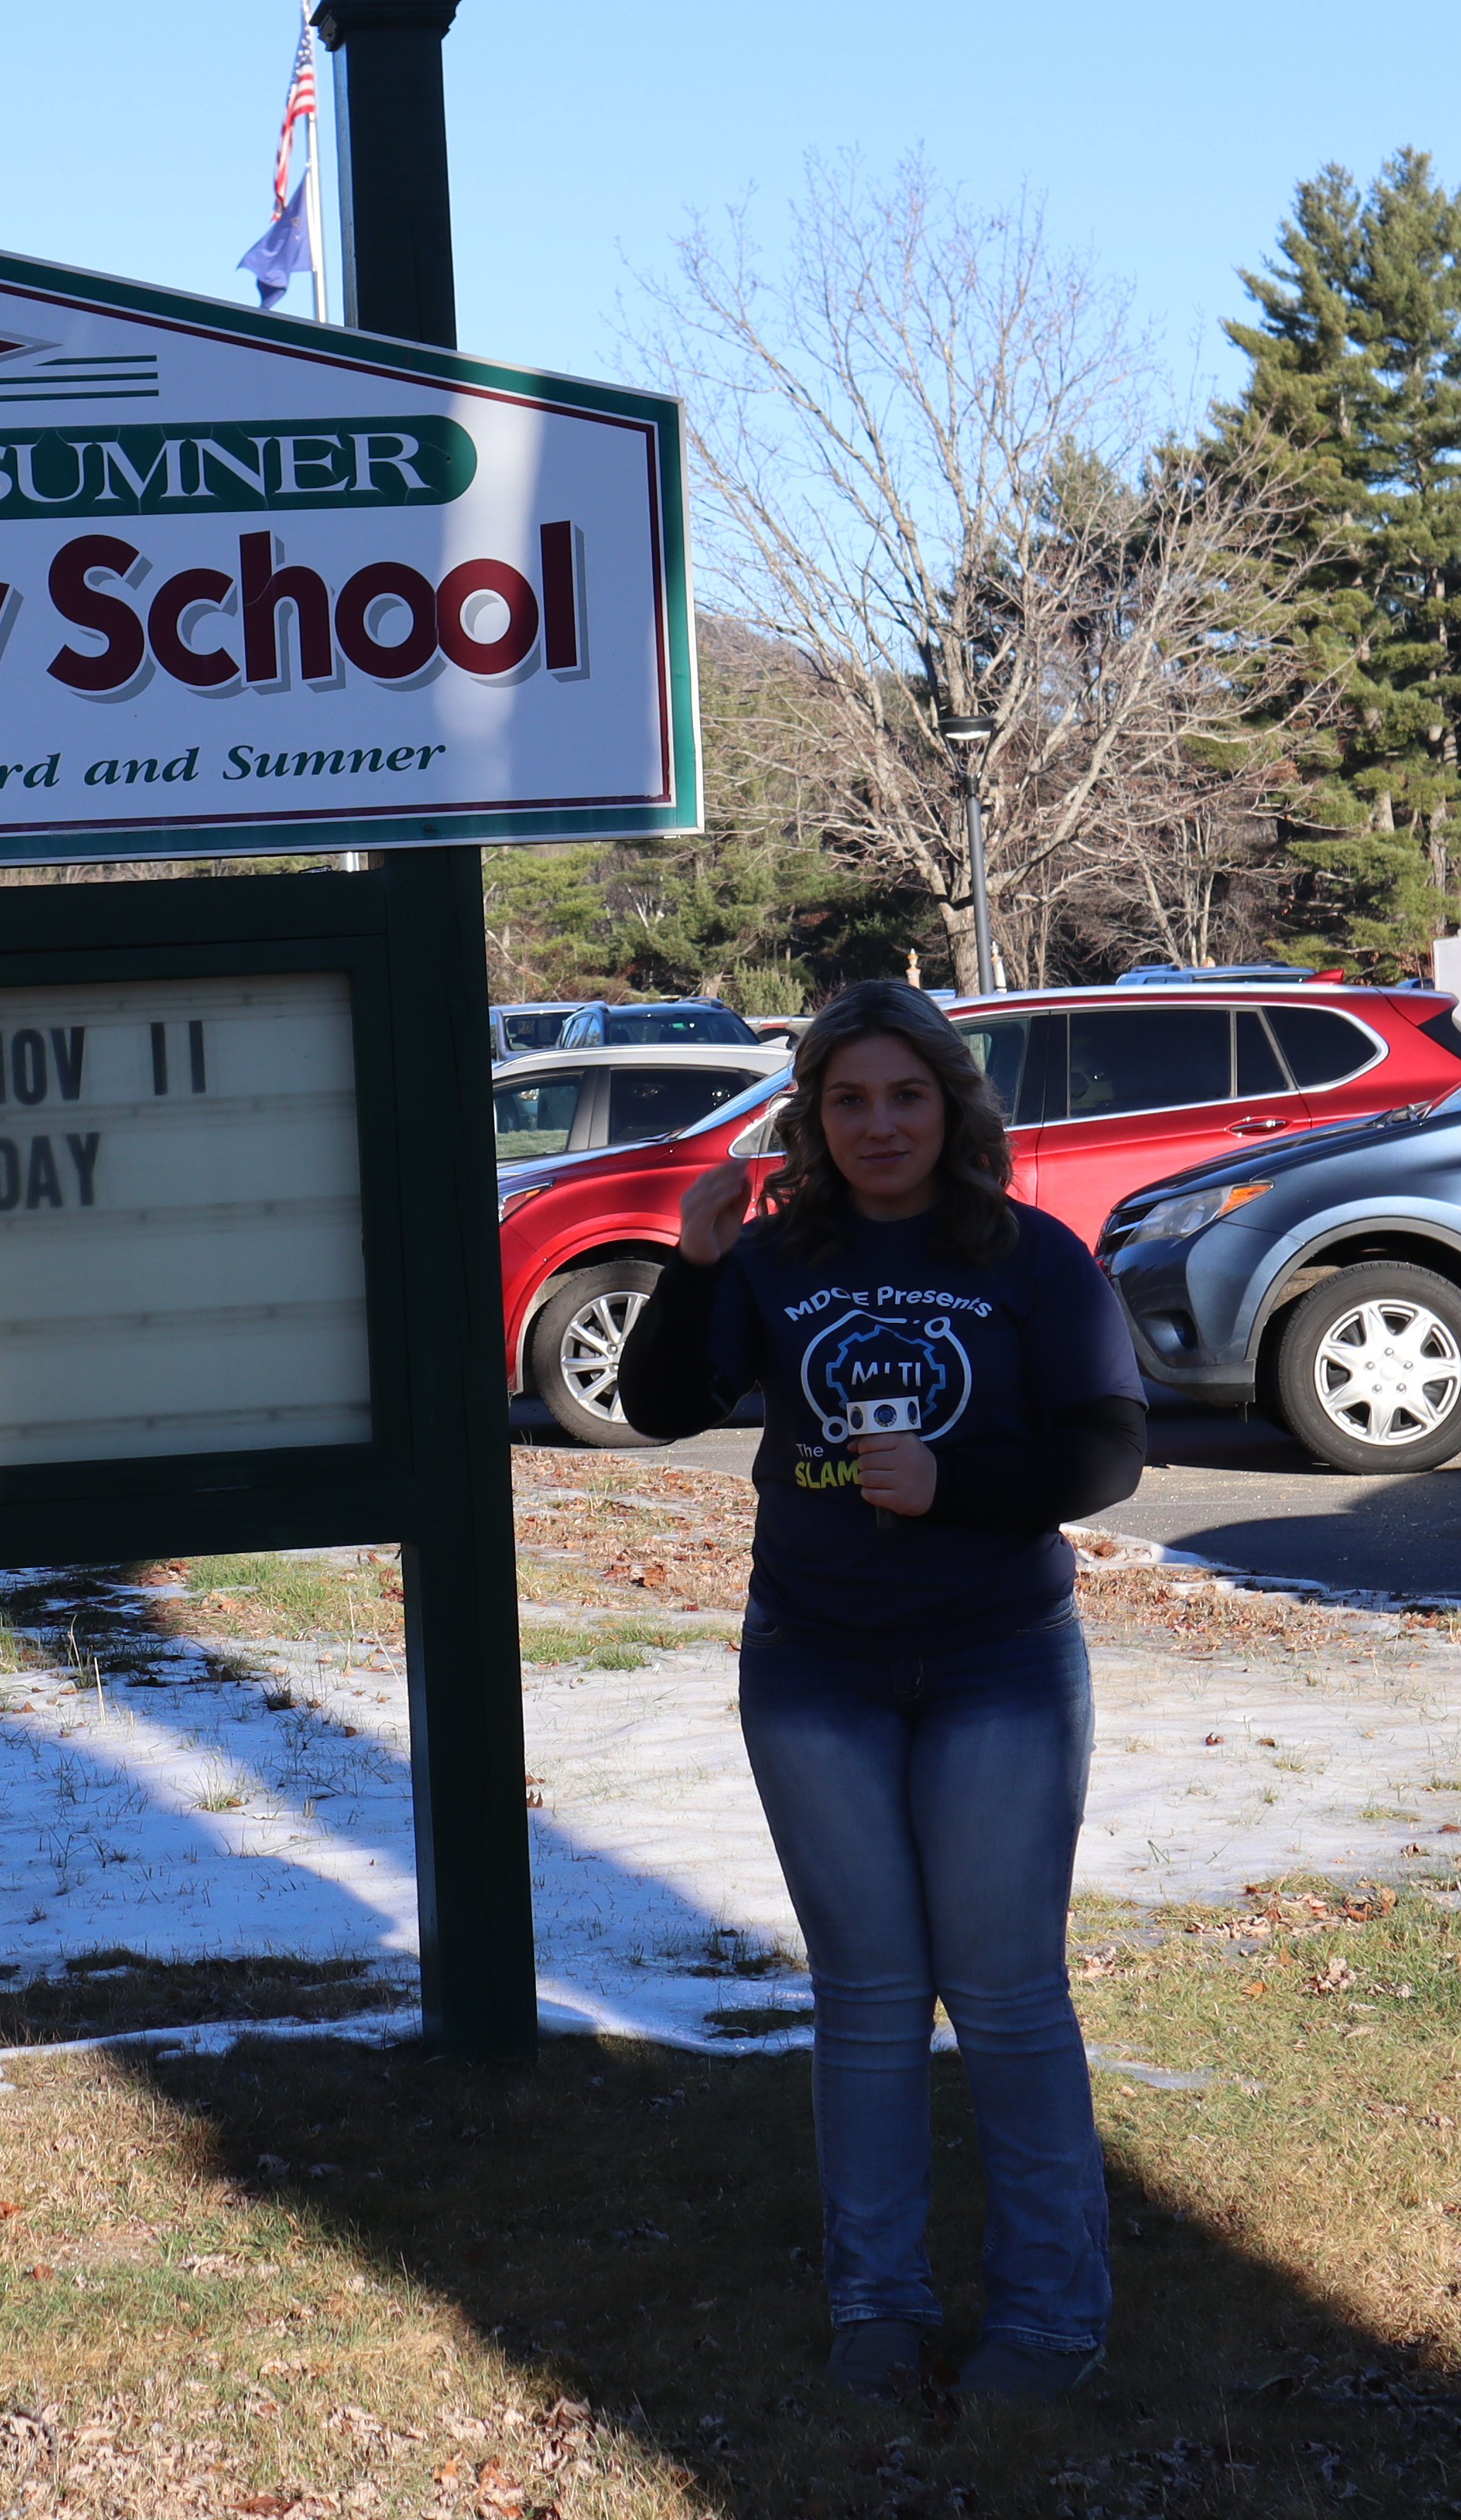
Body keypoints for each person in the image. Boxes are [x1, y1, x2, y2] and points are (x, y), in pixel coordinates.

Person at [616, 978, 1144, 2403]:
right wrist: (696, 1264)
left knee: (1006, 1989)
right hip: (815, 1664)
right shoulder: (778, 1254)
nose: (878, 1123)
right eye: (848, 1099)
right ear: (814, 1116)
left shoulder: (1031, 1254)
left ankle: (1046, 2316)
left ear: (951, 1104)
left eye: (905, 1093)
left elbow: (1106, 1452)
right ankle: (882, 2309)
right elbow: (662, 1407)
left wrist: (956, 1483)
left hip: (998, 1663)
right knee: (864, 1997)